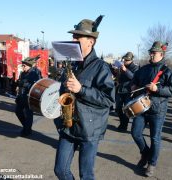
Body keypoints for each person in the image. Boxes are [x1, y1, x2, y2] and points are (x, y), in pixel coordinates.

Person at [54, 15, 115, 180]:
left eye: (77, 36)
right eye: (73, 36)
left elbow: (108, 99)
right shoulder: (72, 63)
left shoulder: (102, 67)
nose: (73, 39)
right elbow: (63, 91)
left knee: (86, 175)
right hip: (69, 124)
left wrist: (81, 90)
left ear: (91, 41)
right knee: (60, 170)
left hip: (90, 130)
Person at [130, 41, 172, 177]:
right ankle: (145, 153)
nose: (151, 55)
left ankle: (152, 163)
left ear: (161, 54)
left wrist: (158, 89)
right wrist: (133, 85)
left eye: (154, 53)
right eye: (150, 52)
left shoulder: (168, 71)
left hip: (158, 110)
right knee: (135, 133)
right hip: (142, 107)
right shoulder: (143, 69)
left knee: (155, 138)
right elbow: (134, 79)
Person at [15, 57, 41, 136]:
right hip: (21, 95)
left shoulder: (35, 72)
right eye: (22, 65)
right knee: (18, 111)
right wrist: (18, 86)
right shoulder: (23, 73)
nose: (23, 67)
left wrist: (24, 84)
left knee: (28, 114)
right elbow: (20, 82)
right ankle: (26, 127)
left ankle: (27, 130)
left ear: (29, 65)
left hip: (30, 96)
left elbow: (37, 84)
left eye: (24, 65)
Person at [116, 52, 138, 131]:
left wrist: (126, 70)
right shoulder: (122, 66)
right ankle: (122, 123)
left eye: (127, 60)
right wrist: (116, 71)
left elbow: (133, 77)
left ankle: (124, 125)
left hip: (128, 91)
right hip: (120, 90)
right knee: (118, 108)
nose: (125, 61)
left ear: (131, 60)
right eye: (125, 59)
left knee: (126, 110)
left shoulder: (135, 67)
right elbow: (118, 78)